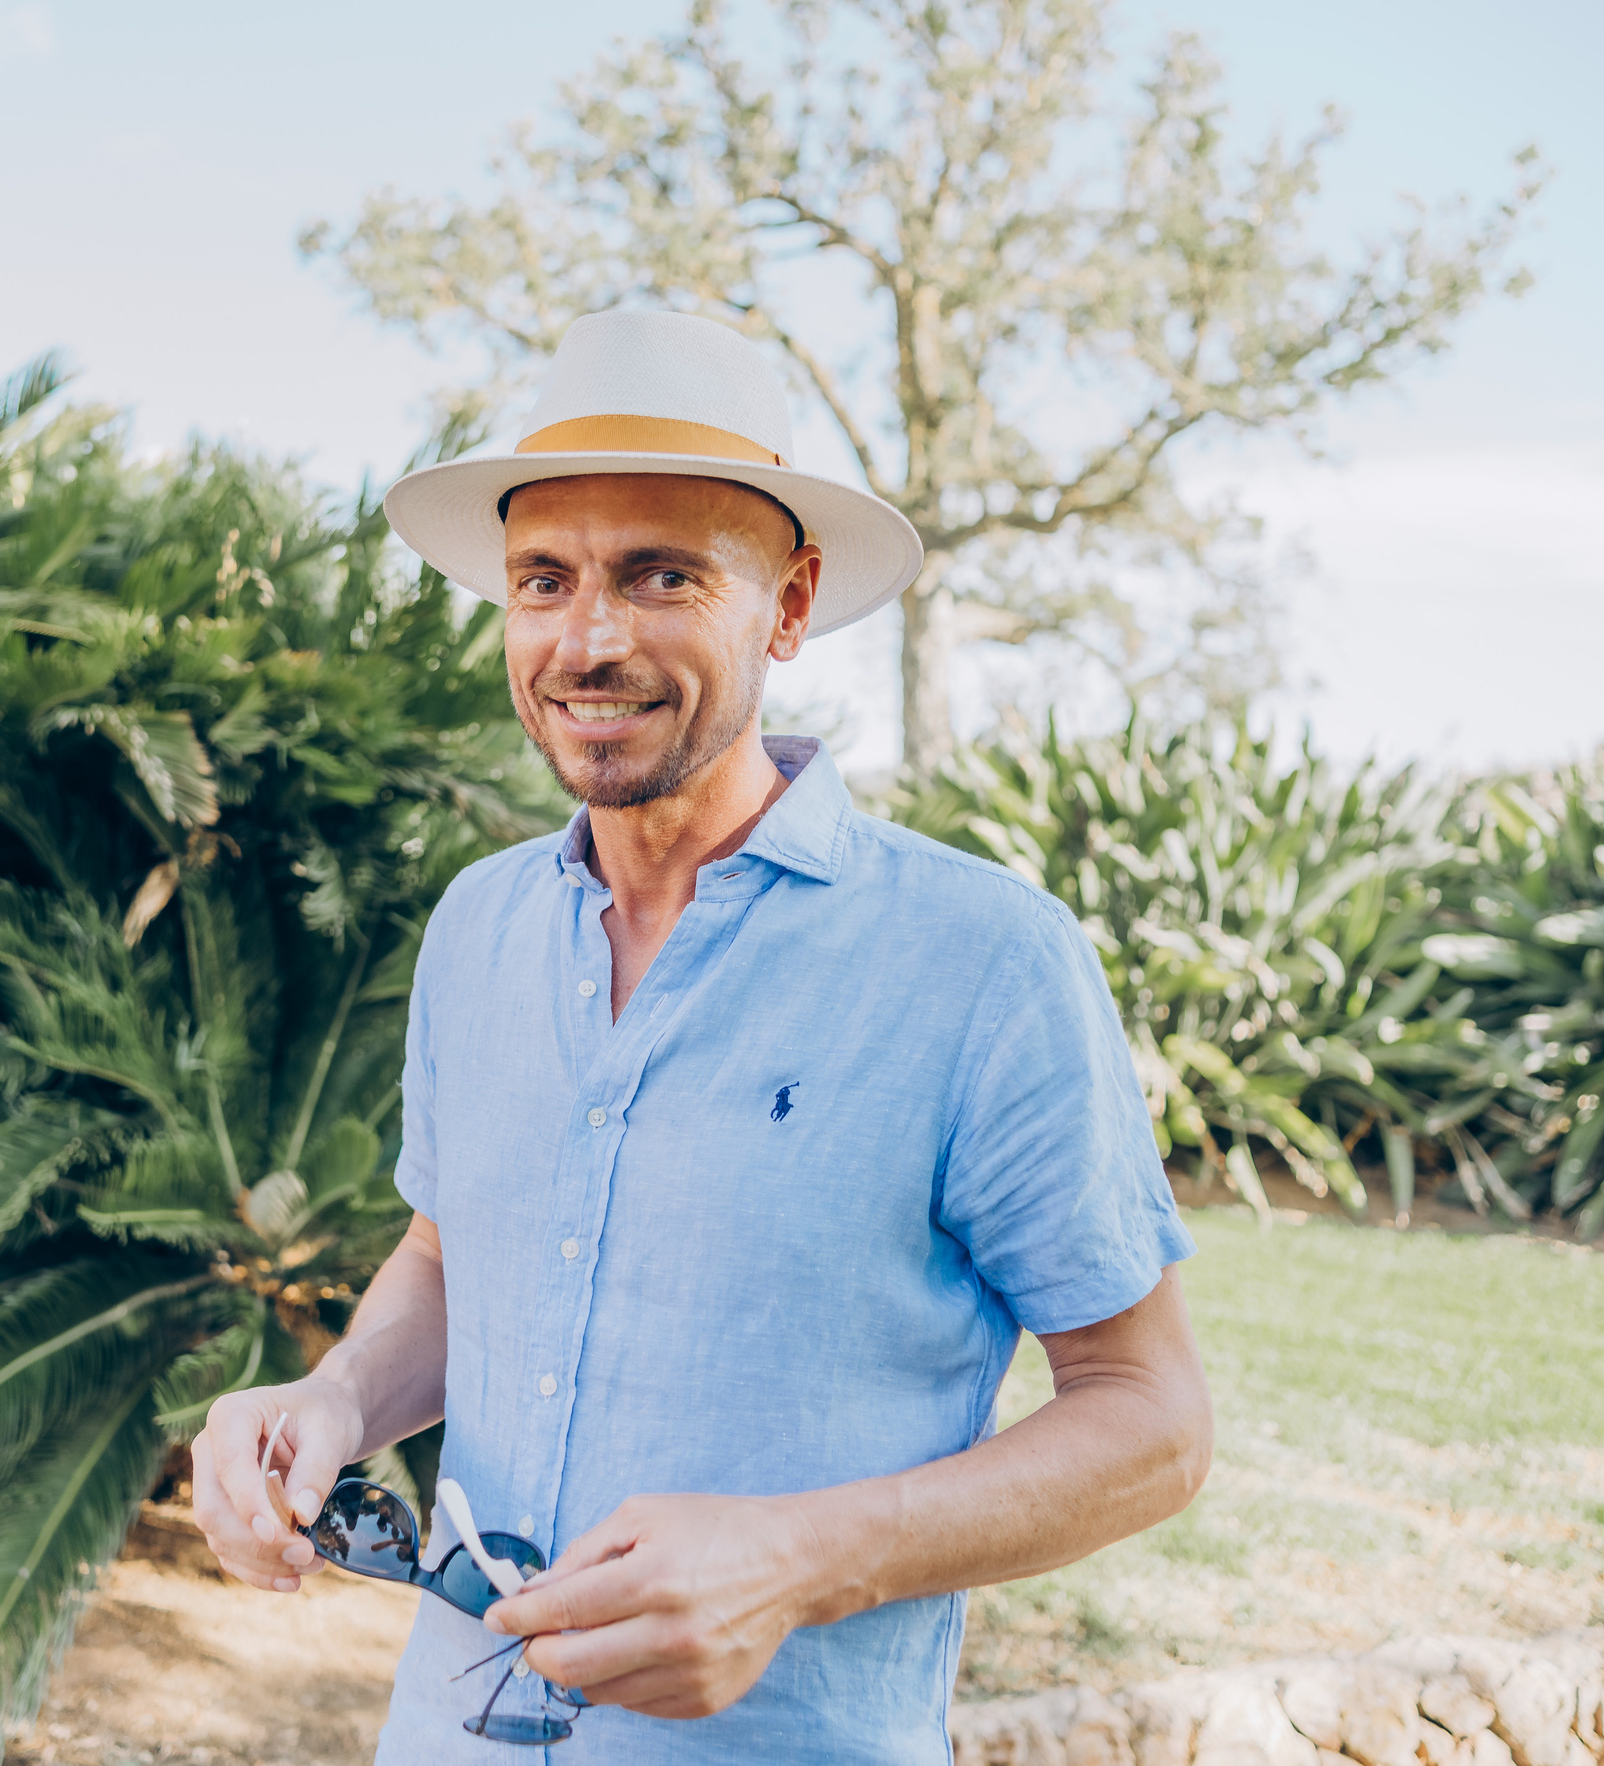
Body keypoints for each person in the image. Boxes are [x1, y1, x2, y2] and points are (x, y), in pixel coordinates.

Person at [189, 310, 1212, 1762]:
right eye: (543, 579)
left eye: (660, 575)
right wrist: (334, 1398)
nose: (587, 637)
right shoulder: (477, 929)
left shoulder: (985, 960)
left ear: (786, 606)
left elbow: (1155, 1419)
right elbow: (449, 1256)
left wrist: (804, 1558)